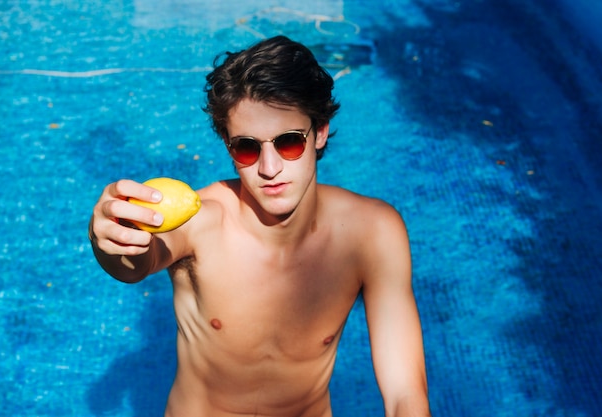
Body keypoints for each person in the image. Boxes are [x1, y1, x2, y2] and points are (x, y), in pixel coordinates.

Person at [89, 35, 431, 417]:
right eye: (248, 147)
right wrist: (108, 241)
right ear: (228, 146)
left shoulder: (372, 233)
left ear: (319, 132)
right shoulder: (203, 220)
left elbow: (405, 392)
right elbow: (133, 263)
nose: (269, 169)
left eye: (288, 142)